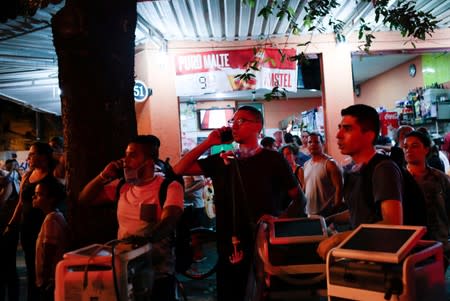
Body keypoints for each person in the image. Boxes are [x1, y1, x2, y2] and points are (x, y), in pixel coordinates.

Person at [173, 106, 306, 301]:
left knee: (264, 292)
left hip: (264, 242)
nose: (234, 125)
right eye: (232, 121)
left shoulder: (273, 159)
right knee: (231, 292)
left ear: (257, 126)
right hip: (229, 243)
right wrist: (209, 143)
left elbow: (299, 198)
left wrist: (279, 220)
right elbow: (178, 169)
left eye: (241, 121)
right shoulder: (222, 160)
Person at [78, 135, 184, 301]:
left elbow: (169, 221)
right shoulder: (122, 187)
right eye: (125, 154)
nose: (125, 160)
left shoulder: (169, 187)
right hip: (124, 272)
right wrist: (103, 176)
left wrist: (141, 241)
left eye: (132, 155)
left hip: (157, 274)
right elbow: (85, 199)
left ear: (150, 161)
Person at [317, 104, 403, 259]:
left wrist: (338, 239)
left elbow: (393, 224)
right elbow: (362, 211)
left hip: (384, 261)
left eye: (347, 129)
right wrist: (330, 219)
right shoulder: (354, 170)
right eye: (340, 128)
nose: (338, 135)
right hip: (364, 255)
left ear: (369, 135)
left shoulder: (383, 168)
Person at [5, 142, 57, 301]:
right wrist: (12, 223)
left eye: (32, 154)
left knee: (45, 268)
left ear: (44, 156)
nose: (28, 157)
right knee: (30, 267)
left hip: (45, 228)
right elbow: (21, 202)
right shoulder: (27, 176)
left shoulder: (53, 176)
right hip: (26, 228)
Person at [403, 131, 450, 271]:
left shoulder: (440, 178)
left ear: (426, 149)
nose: (409, 150)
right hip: (411, 244)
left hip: (438, 242)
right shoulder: (400, 179)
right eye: (405, 146)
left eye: (415, 146)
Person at [32, 176, 68, 301]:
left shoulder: (51, 220)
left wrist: (45, 279)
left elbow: (49, 252)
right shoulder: (55, 216)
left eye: (38, 194)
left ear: (51, 199)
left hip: (51, 280)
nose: (34, 197)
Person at [303, 132, 344, 217]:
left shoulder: (330, 164)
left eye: (317, 142)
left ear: (323, 144)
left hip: (325, 213)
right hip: (309, 212)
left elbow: (339, 188)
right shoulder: (306, 164)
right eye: (310, 142)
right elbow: (305, 187)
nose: (313, 145)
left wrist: (334, 211)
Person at [0, 160, 21, 301]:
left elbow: (2, 201)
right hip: (6, 226)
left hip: (7, 228)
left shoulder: (9, 180)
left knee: (8, 267)